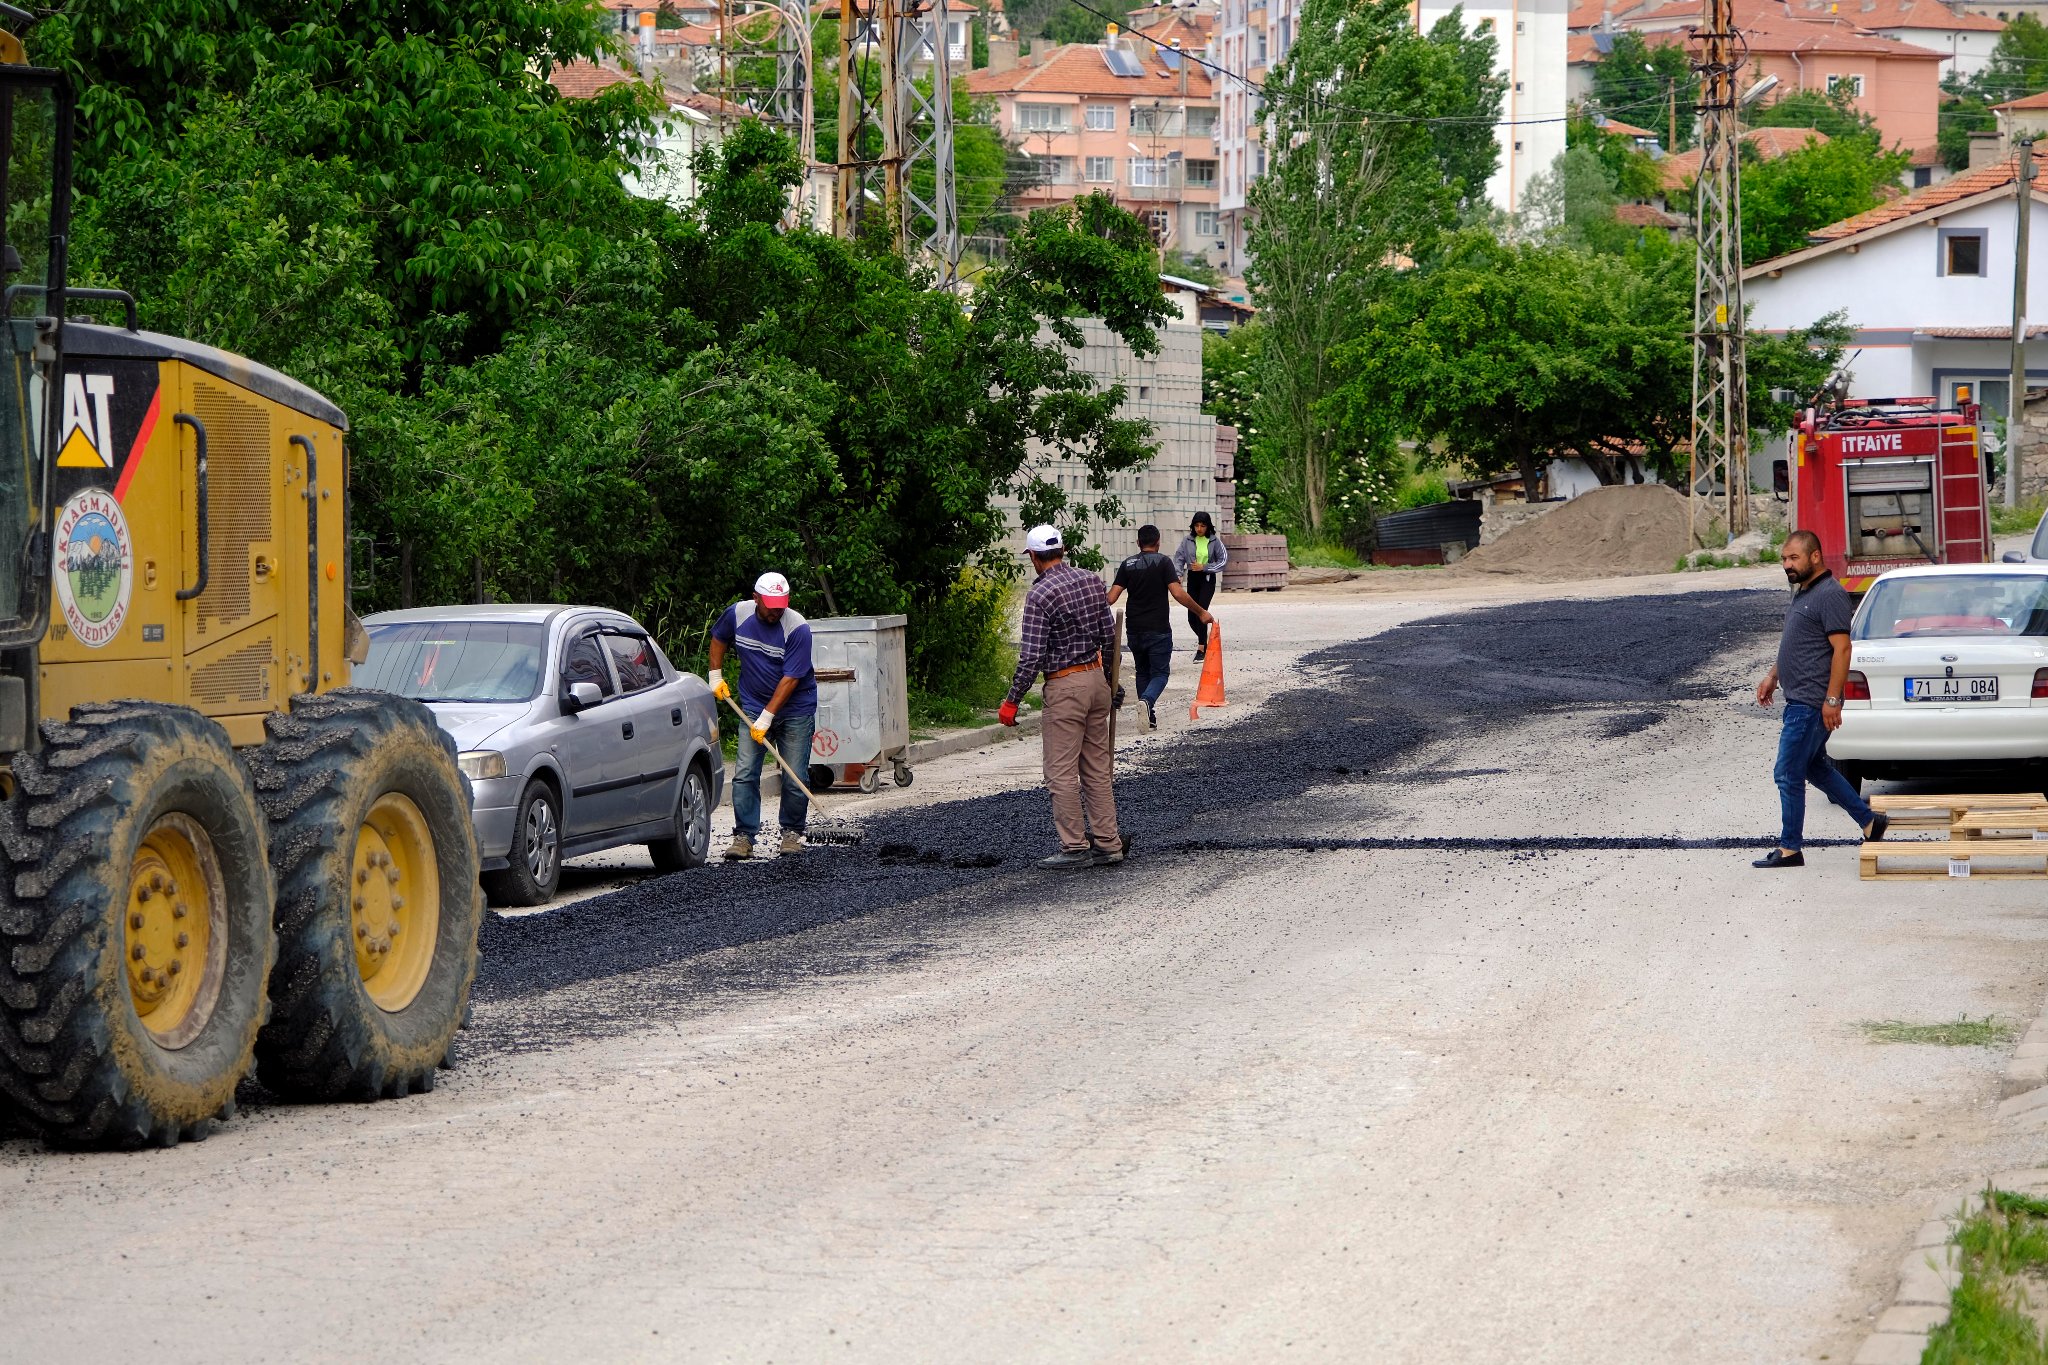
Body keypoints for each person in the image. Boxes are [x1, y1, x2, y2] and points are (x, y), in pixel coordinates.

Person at [1752, 529, 1889, 868]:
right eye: (1784, 558)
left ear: (1815, 557)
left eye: (1794, 557)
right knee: (1814, 767)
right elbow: (1798, 645)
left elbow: (1842, 649)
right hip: (1799, 699)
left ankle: (1790, 848)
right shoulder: (1803, 592)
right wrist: (1773, 675)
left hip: (1810, 704)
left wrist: (1832, 699)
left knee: (1786, 773)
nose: (1787, 564)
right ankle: (1870, 822)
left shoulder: (1829, 594)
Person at [998, 524, 1124, 869]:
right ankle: (1109, 844)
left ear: (1035, 558)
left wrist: (1012, 699)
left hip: (1065, 686)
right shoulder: (1091, 580)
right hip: (1096, 679)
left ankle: (1074, 848)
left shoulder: (1040, 595)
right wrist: (1112, 682)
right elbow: (1109, 637)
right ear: (1063, 551)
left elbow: (1032, 656)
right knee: (1097, 769)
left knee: (1061, 773)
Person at [708, 571, 817, 859]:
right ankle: (744, 836)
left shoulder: (798, 629)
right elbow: (719, 637)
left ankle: (792, 832)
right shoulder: (738, 614)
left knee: (794, 775)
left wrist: (767, 719)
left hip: (795, 709)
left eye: (781, 605)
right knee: (744, 774)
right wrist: (715, 675)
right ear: (756, 598)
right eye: (770, 605)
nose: (776, 611)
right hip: (753, 704)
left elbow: (791, 679)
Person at [1107, 524, 1217, 731]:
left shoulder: (1127, 564)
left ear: (1138, 543)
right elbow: (1177, 593)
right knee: (1160, 674)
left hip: (1134, 629)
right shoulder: (1164, 563)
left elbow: (1111, 598)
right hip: (1158, 629)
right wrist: (1201, 611)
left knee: (1142, 672)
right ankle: (1147, 702)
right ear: (1158, 543)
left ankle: (1149, 718)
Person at [1172, 512, 1228, 660]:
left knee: (1201, 611)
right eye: (1196, 526)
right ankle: (1209, 642)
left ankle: (1201, 648)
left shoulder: (1215, 541)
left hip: (1207, 578)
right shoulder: (1187, 541)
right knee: (1192, 616)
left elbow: (1223, 561)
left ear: (1208, 526)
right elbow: (1179, 558)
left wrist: (1205, 567)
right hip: (1193, 578)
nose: (1199, 529)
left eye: (1203, 526)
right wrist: (1178, 573)